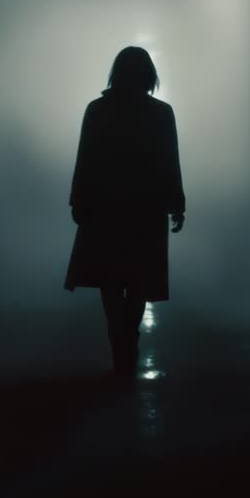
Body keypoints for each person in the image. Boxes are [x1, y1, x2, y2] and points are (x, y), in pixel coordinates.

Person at [64, 46, 185, 380]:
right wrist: (177, 203)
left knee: (109, 276)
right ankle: (128, 335)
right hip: (146, 208)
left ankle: (119, 336)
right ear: (149, 75)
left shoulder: (98, 110)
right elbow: (169, 161)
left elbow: (84, 157)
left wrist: (78, 199)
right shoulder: (161, 113)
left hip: (106, 207)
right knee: (139, 276)